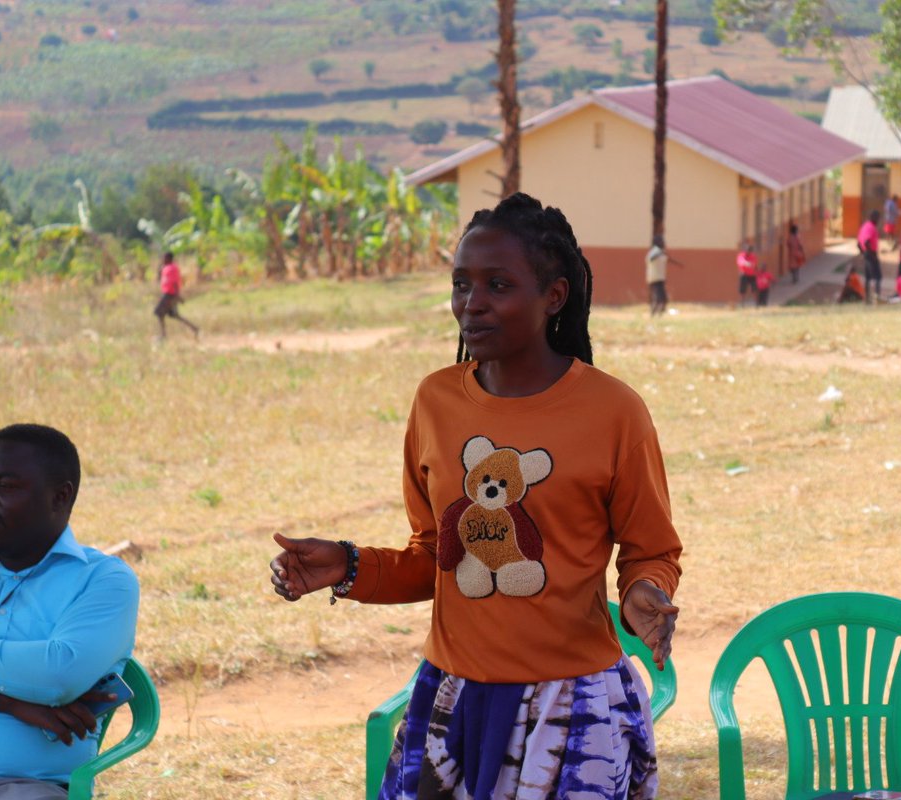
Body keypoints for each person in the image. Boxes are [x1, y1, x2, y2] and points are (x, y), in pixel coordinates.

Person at [269, 193, 682, 800]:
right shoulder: (435, 402)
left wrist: (646, 592)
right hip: (452, 701)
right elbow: (436, 556)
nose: (472, 303)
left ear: (554, 297)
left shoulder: (615, 412)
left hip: (572, 706)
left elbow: (653, 550)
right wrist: (350, 566)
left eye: (497, 284)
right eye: (461, 283)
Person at [0, 425, 139, 799]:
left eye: (5, 486)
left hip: (24, 788)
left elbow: (58, 674)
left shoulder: (103, 580)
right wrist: (7, 701)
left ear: (60, 496)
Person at [153, 251, 199, 340]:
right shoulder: (165, 268)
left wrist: (177, 295)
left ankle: (163, 335)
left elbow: (175, 283)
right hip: (168, 293)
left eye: (164, 258)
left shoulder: (172, 268)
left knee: (159, 312)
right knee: (174, 315)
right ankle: (194, 328)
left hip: (170, 294)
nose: (162, 260)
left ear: (168, 258)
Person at [856, 210, 882, 303]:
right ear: (874, 218)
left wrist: (863, 253)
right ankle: (876, 298)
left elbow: (858, 243)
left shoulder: (864, 226)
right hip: (871, 254)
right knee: (877, 277)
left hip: (867, 254)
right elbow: (866, 242)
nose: (879, 220)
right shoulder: (870, 227)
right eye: (878, 218)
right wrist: (872, 254)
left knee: (868, 277)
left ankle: (867, 298)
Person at [645, 237, 669, 316]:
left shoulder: (661, 252)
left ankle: (658, 312)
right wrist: (659, 253)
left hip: (660, 277)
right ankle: (654, 312)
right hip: (655, 278)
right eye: (662, 241)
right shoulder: (655, 251)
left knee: (662, 297)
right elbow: (651, 258)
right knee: (658, 297)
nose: (663, 243)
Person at [736, 240, 758, 307]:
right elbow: (741, 262)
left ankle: (756, 304)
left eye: (750, 251)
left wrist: (748, 264)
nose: (748, 252)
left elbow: (753, 264)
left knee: (754, 289)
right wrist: (747, 263)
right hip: (744, 274)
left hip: (752, 274)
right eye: (747, 250)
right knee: (742, 290)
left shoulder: (753, 256)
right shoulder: (741, 255)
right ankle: (742, 304)